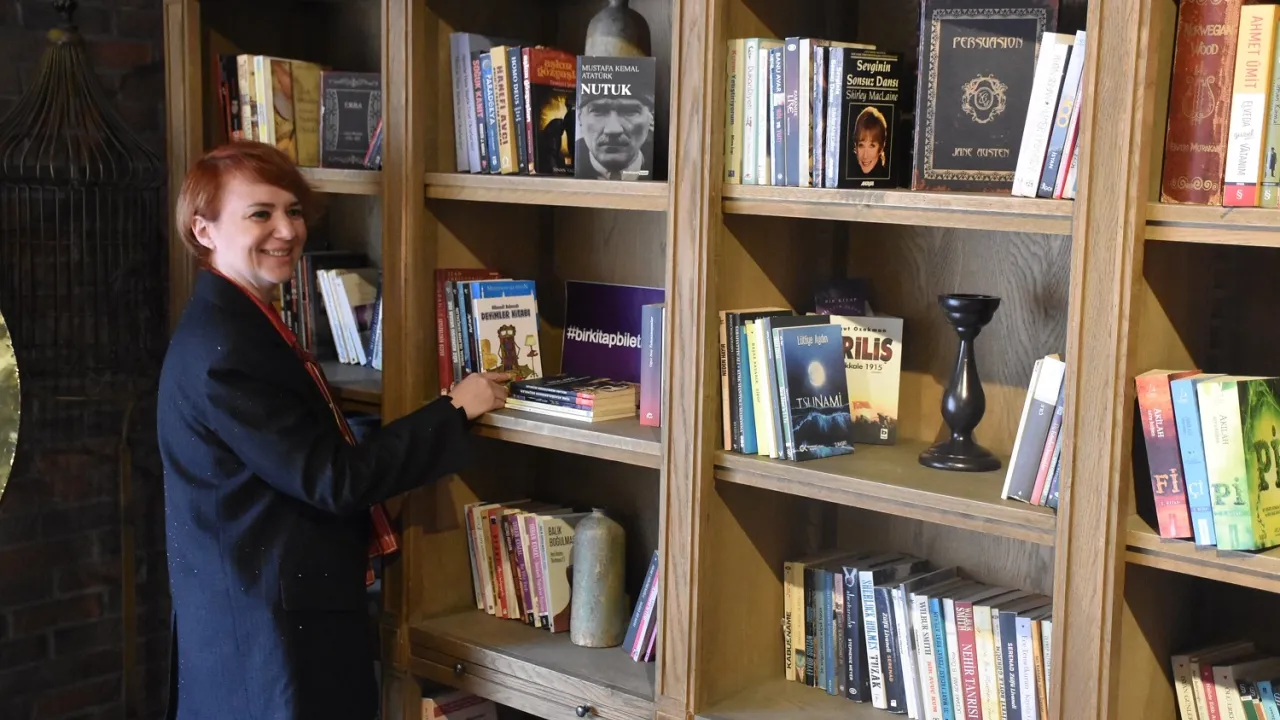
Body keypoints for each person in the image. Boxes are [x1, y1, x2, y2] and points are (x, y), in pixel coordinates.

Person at [157, 141, 509, 720]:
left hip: (266, 613)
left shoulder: (239, 321)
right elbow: (332, 478)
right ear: (204, 229)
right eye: (260, 213)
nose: (286, 230)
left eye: (293, 211)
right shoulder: (226, 347)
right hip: (266, 633)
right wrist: (453, 410)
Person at [574, 90, 654, 181]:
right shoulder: (566, 166)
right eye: (597, 110)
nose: (613, 129)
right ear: (580, 119)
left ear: (652, 118)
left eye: (630, 111)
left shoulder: (662, 166)